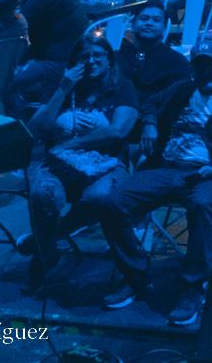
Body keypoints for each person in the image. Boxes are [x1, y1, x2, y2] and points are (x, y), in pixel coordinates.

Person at [97, 37, 212, 327]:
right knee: (113, 202)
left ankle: (193, 287)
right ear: (192, 67)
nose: (205, 71)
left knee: (203, 204)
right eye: (199, 65)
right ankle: (135, 275)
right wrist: (150, 124)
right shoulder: (181, 90)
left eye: (210, 65)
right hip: (168, 167)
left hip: (208, 173)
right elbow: (150, 104)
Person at [23, 34, 137, 293]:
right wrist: (63, 88)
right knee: (42, 195)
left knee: (100, 197)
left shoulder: (122, 87)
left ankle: (44, 245)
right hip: (59, 165)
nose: (92, 61)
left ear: (109, 60)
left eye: (98, 55)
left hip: (106, 164)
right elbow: (36, 130)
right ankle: (46, 256)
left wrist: (73, 143)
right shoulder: (63, 86)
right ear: (75, 62)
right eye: (85, 57)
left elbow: (118, 131)